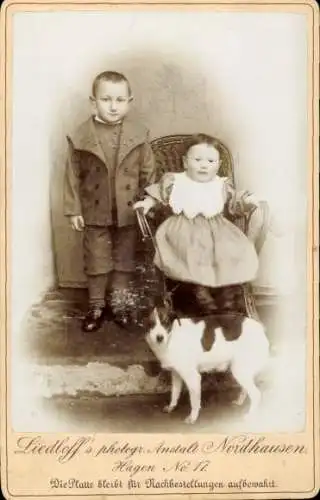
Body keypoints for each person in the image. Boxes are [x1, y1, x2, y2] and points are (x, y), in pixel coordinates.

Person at [64, 71, 155, 332]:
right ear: (94, 102)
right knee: (96, 259)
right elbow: (71, 176)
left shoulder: (139, 134)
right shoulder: (80, 136)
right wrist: (73, 210)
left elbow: (149, 172)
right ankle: (96, 306)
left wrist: (147, 201)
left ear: (129, 101)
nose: (113, 106)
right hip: (95, 209)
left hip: (128, 210)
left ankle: (120, 305)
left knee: (125, 260)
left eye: (119, 99)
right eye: (106, 99)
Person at [134, 133, 260, 311]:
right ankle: (200, 293)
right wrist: (147, 203)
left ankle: (227, 294)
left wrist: (248, 200)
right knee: (191, 253)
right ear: (185, 162)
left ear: (218, 165)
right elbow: (158, 195)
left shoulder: (221, 184)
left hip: (217, 230)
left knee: (230, 251)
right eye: (197, 159)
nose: (203, 165)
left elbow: (235, 200)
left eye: (210, 161)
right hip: (182, 229)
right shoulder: (175, 181)